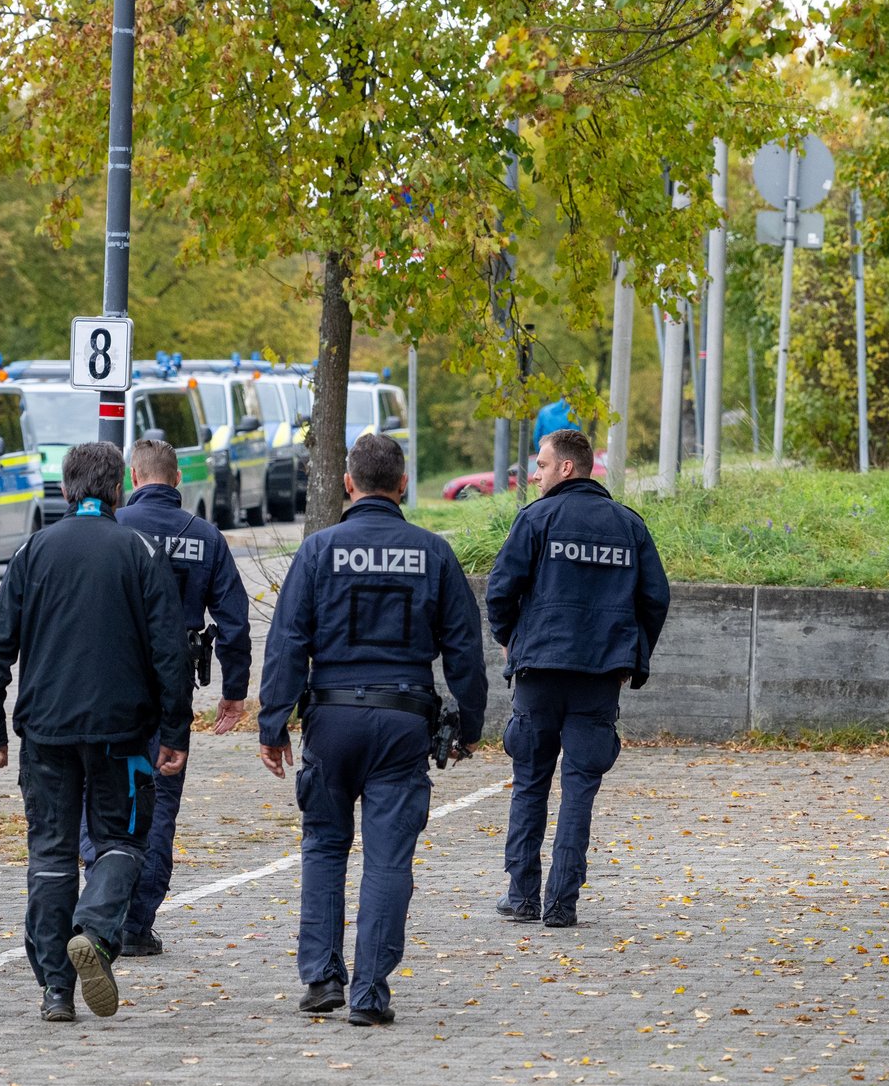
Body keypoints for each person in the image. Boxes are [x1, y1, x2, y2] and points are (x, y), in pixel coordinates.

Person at [257, 433, 488, 1026]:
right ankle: (369, 993)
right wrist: (470, 725)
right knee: (387, 862)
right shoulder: (433, 553)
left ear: (348, 483)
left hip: (331, 722)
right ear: (403, 484)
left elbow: (287, 642)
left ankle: (321, 978)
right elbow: (465, 648)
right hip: (403, 723)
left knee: (324, 848)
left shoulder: (318, 551)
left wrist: (273, 723)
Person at [0, 441, 193, 1023]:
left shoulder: (32, 552)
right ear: (119, 488)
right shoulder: (141, 551)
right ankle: (94, 934)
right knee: (121, 842)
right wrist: (176, 731)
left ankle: (55, 990)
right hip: (123, 735)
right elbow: (170, 652)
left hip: (45, 732)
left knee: (50, 852)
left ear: (66, 489)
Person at [484, 428, 669, 928]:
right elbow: (655, 599)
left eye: (541, 466)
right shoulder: (629, 527)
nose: (536, 475)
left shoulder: (537, 519)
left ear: (566, 467)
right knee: (580, 787)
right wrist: (634, 658)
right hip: (597, 678)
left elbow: (500, 590)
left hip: (539, 673)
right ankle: (561, 903)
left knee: (530, 783)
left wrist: (510, 640)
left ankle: (522, 896)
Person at [76, 437, 251, 958]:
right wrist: (234, 691)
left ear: (132, 478)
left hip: (105, 687)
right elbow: (235, 623)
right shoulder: (206, 538)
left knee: (98, 796)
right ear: (177, 480)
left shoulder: (113, 529)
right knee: (159, 805)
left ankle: (100, 905)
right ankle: (136, 924)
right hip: (168, 694)